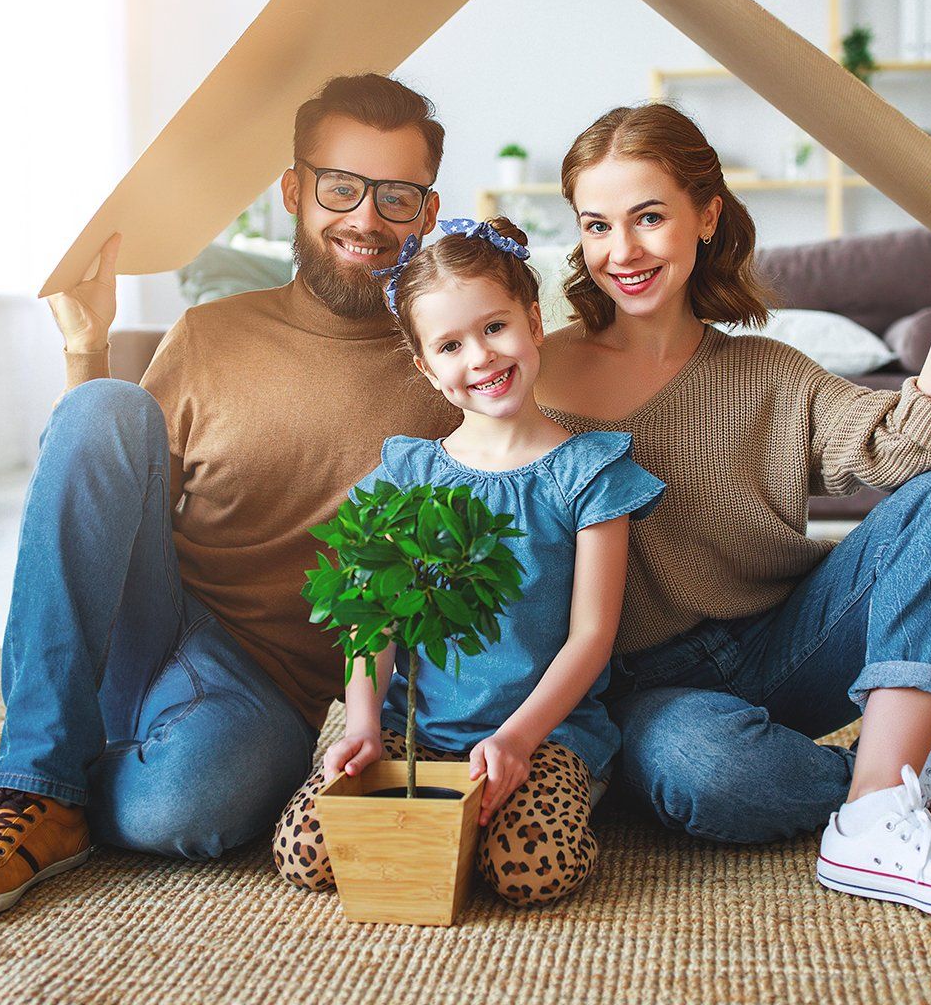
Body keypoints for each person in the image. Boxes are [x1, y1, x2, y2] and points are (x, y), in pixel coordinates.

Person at [0, 74, 466, 919]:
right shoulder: (210, 333)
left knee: (189, 817)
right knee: (108, 403)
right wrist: (88, 350)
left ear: (427, 214)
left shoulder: (452, 365)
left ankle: (33, 761)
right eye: (341, 187)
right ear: (295, 191)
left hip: (269, 689)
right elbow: (107, 486)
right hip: (152, 625)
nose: (366, 219)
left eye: (397, 197)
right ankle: (32, 787)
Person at [534, 103, 931, 921]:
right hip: (644, 687)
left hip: (787, 645)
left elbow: (920, 450)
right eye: (597, 225)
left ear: (707, 216)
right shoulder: (534, 377)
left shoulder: (769, 372)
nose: (621, 251)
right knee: (707, 776)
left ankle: (877, 813)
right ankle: (896, 775)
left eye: (648, 218)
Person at [272, 216, 663, 907]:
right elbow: (371, 621)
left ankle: (579, 789)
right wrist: (362, 726)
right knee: (306, 852)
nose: (480, 357)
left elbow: (592, 636)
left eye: (494, 328)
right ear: (426, 366)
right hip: (411, 730)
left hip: (542, 732)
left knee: (527, 872)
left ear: (534, 323)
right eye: (451, 344)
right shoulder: (404, 473)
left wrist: (516, 742)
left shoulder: (590, 472)